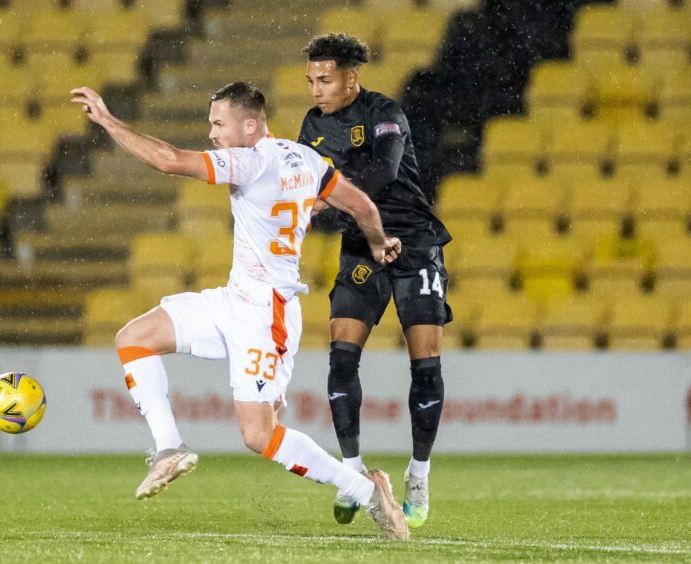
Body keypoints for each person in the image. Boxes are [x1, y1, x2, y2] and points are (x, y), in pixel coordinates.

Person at [70, 81, 409, 541]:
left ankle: (368, 492)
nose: (211, 133)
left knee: (259, 435)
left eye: (218, 123)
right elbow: (361, 204)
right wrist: (379, 242)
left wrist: (108, 122)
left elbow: (169, 160)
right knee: (134, 337)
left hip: (264, 314)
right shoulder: (306, 159)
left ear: (250, 126)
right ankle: (169, 447)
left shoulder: (249, 161)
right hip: (233, 299)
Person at [297, 33, 453, 529]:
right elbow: (300, 177)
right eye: (311, 81)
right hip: (362, 246)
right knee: (341, 356)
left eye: (325, 79)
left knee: (425, 366)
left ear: (351, 78)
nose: (317, 89)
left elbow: (383, 172)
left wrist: (325, 201)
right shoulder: (311, 125)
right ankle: (351, 472)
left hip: (415, 242)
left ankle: (419, 473)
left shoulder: (385, 112)